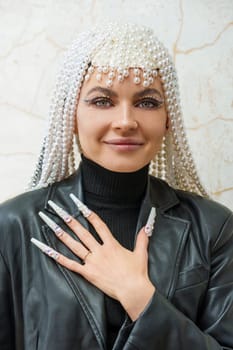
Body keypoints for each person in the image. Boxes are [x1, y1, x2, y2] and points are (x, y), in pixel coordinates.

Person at [0, 22, 232, 350]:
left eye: (147, 102)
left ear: (169, 119)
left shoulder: (214, 229)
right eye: (102, 101)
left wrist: (140, 297)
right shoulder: (12, 226)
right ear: (71, 115)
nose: (126, 121)